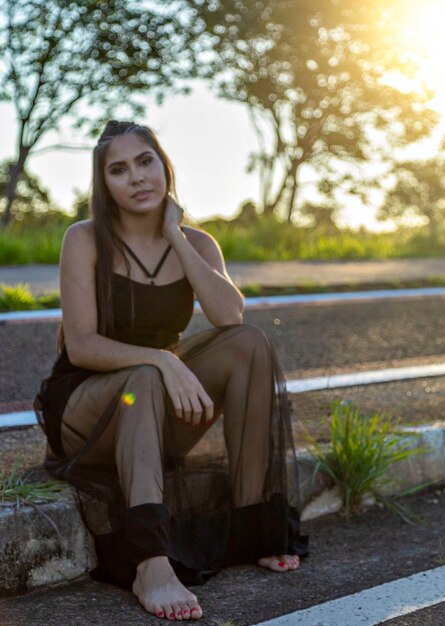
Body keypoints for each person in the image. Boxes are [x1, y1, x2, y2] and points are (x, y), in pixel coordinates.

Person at [35, 120, 308, 621]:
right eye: (119, 170)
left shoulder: (199, 244)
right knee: (143, 378)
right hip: (86, 410)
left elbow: (230, 317)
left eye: (145, 162)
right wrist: (162, 358)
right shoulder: (85, 239)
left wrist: (174, 236)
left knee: (249, 344)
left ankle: (254, 526)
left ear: (164, 167)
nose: (136, 178)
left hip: (155, 407)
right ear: (105, 185)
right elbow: (82, 346)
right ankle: (150, 562)